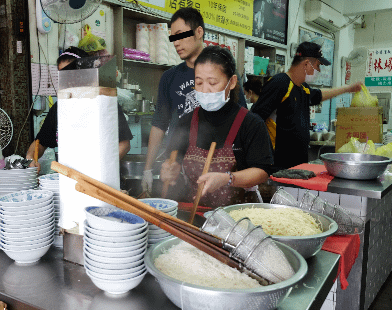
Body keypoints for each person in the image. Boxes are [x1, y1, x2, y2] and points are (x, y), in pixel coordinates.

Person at [142, 7, 247, 195]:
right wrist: (148, 169)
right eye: (172, 37)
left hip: (218, 165)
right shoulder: (169, 77)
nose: (176, 43)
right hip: (178, 166)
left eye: (181, 35)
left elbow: (241, 120)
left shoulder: (224, 72)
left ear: (199, 32)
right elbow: (159, 124)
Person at [159, 46, 273, 207]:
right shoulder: (186, 121)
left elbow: (262, 172)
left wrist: (228, 178)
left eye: (212, 82)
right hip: (196, 211)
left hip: (239, 214)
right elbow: (173, 159)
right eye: (199, 82)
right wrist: (169, 169)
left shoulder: (251, 123)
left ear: (232, 82)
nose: (205, 90)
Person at [250, 42, 362, 170]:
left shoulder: (303, 88)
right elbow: (254, 119)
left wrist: (348, 89)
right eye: (318, 65)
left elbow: (319, 95)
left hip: (298, 164)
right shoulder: (280, 83)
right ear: (307, 64)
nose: (319, 70)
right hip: (278, 164)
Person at [26, 47, 133, 172]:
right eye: (62, 74)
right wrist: (30, 158)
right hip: (69, 179)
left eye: (70, 73)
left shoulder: (103, 102)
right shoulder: (59, 108)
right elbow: (40, 142)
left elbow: (124, 145)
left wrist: (101, 168)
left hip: (100, 179)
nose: (66, 79)